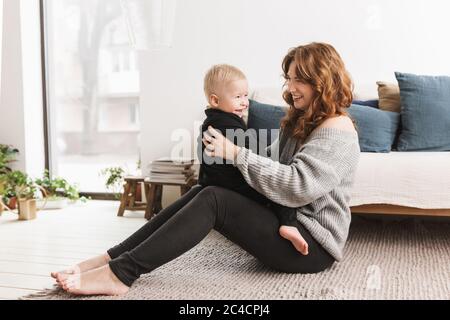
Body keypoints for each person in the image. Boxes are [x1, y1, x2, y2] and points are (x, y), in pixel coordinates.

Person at [51, 42, 360, 296]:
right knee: (205, 190)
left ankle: (120, 275)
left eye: (299, 79)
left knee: (214, 200)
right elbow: (270, 161)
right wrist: (225, 159)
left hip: (311, 246)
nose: (290, 88)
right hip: (291, 226)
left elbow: (297, 185)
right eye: (288, 78)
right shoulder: (303, 121)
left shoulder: (338, 130)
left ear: (322, 80)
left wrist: (236, 153)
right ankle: (110, 259)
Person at [198, 64, 309, 255]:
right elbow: (256, 154)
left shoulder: (211, 122)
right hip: (233, 186)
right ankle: (288, 224)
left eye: (245, 96)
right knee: (277, 186)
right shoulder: (226, 124)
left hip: (215, 181)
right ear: (215, 100)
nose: (245, 102)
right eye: (237, 97)